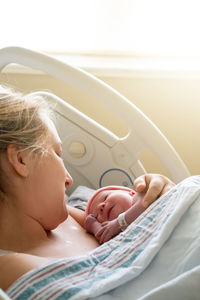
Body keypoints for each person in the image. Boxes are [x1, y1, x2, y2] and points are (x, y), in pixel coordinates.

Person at [0, 85, 175, 292]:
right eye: (57, 153)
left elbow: (134, 227)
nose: (69, 179)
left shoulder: (71, 219)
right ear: (21, 160)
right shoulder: (11, 270)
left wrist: (158, 197)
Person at [84, 179, 175, 244]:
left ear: (129, 192)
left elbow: (145, 204)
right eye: (96, 215)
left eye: (105, 197)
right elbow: (105, 237)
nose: (100, 206)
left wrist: (118, 223)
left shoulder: (139, 196)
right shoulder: (119, 234)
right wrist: (93, 226)